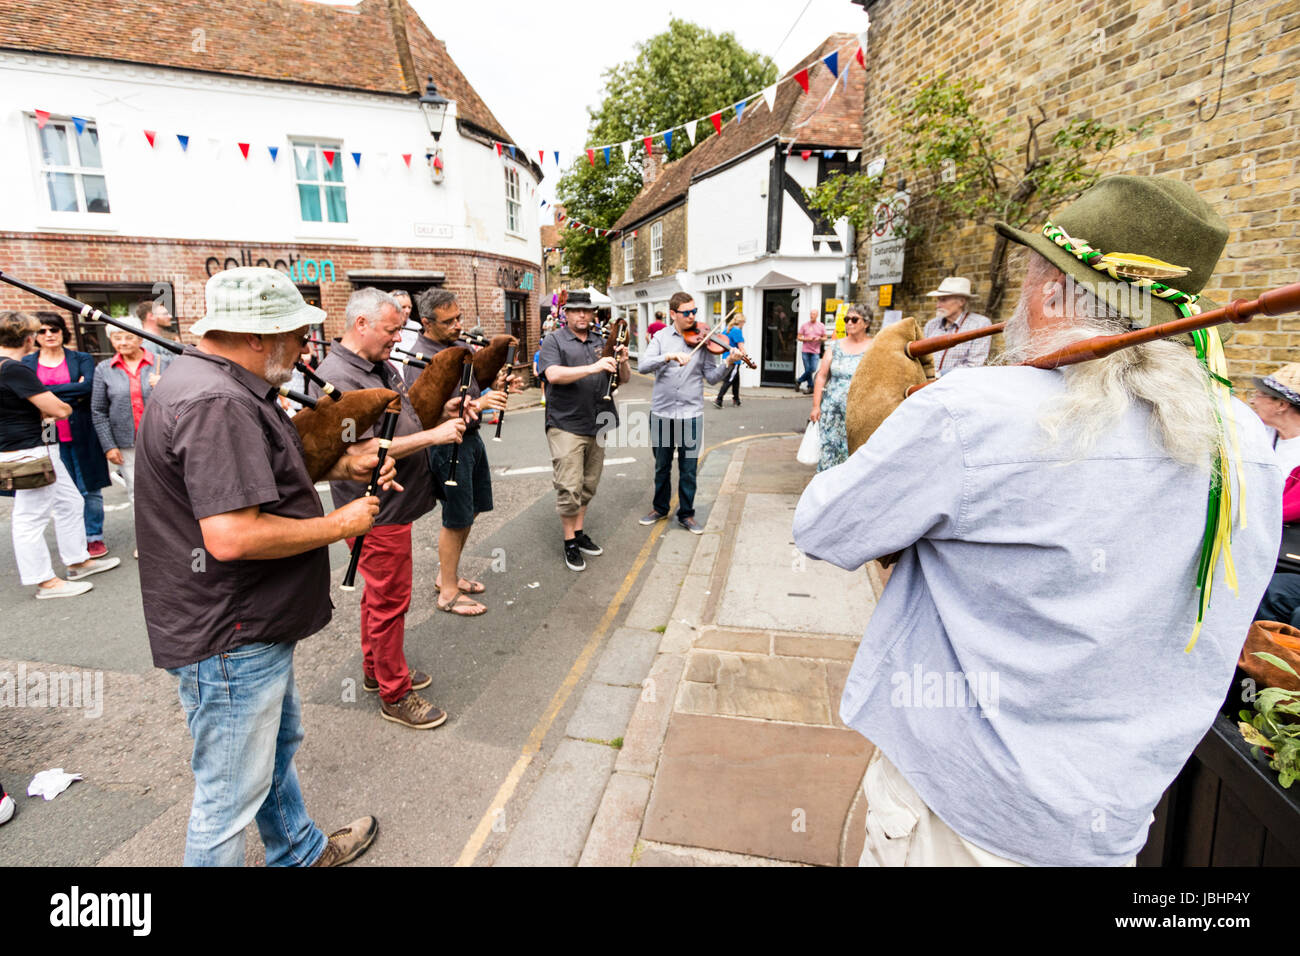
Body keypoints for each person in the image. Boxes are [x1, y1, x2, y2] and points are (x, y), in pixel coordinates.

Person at [793, 176, 1280, 866]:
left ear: (1052, 294)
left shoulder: (975, 412)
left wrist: (882, 421)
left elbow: (823, 526)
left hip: (959, 818)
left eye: (1029, 275)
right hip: (1110, 822)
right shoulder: (1247, 442)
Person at [134, 267, 394, 866]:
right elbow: (230, 535)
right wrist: (340, 525)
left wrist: (336, 472)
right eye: (296, 335)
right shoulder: (217, 401)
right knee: (227, 801)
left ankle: (298, 851)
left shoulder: (210, 381)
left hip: (244, 624)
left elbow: (247, 487)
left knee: (274, 750)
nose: (305, 347)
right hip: (232, 631)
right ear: (257, 336)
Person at [313, 288, 466, 728]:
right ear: (361, 324)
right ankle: (394, 693)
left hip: (394, 505)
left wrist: (440, 412)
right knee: (390, 600)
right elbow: (360, 453)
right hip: (375, 511)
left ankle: (375, 669)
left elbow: (400, 417)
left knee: (378, 596)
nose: (399, 338)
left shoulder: (377, 364)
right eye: (391, 329)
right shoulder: (335, 377)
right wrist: (433, 437)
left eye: (401, 328)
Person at [409, 288, 521, 616]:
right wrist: (481, 404)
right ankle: (447, 592)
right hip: (446, 446)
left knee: (471, 511)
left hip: (470, 440)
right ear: (426, 323)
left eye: (459, 317)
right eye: (449, 321)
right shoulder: (420, 360)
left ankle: (448, 575)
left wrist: (494, 387)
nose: (459, 325)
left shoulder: (459, 346)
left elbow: (471, 389)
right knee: (455, 518)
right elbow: (426, 416)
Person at [1, 311, 121, 598]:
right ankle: (45, 581)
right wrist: (61, 405)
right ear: (29, 338)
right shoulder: (13, 369)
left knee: (69, 501)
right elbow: (60, 409)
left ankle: (78, 561)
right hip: (29, 451)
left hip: (35, 445)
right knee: (30, 518)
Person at [536, 290, 629, 571]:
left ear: (592, 314)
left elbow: (622, 380)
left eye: (587, 311)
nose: (582, 316)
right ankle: (569, 542)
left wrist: (622, 361)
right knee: (569, 486)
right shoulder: (553, 340)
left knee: (589, 484)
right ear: (566, 313)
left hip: (598, 421)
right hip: (565, 423)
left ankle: (578, 532)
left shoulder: (602, 341)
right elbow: (552, 374)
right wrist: (593, 367)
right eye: (576, 311)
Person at [637, 292, 741, 534]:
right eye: (687, 313)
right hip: (662, 413)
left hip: (691, 415)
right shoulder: (661, 337)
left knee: (689, 467)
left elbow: (712, 379)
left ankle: (687, 514)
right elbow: (642, 365)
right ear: (673, 314)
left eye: (694, 312)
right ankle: (660, 508)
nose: (693, 316)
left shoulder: (704, 341)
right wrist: (669, 356)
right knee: (662, 465)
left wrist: (729, 363)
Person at [23, 313, 112, 557]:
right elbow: (26, 395)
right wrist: (70, 391)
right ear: (35, 337)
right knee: (62, 488)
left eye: (54, 329)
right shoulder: (28, 363)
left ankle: (93, 536)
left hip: (80, 427)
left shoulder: (81, 358)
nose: (49, 335)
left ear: (64, 332)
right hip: (48, 429)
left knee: (89, 486)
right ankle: (73, 539)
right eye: (42, 331)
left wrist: (44, 392)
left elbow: (88, 387)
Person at [91, 315, 158, 523]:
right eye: (117, 337)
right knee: (138, 494)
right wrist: (109, 445)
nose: (123, 342)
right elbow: (98, 410)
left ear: (140, 339)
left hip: (162, 439)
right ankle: (148, 543)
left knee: (171, 490)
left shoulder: (161, 363)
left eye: (128, 337)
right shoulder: (104, 369)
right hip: (127, 443)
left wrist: (165, 384)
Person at [1248, 364, 1300, 626]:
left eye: (1260, 395)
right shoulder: (1256, 436)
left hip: (1285, 556)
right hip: (1253, 537)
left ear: (1281, 404)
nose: (1253, 400)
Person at [809, 305, 873, 471]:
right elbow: (822, 376)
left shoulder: (874, 347)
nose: (849, 323)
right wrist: (816, 406)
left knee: (853, 455)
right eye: (846, 319)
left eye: (854, 319)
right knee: (829, 453)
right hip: (832, 411)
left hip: (859, 412)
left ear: (866, 323)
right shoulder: (836, 346)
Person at [921, 277, 992, 376]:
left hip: (956, 387)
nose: (937, 305)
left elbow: (975, 365)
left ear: (961, 301)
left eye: (943, 300)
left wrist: (940, 374)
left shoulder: (980, 325)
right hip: (925, 386)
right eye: (938, 300)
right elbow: (922, 358)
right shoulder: (931, 325)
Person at [712, 313, 747, 408]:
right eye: (744, 322)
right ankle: (719, 399)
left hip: (726, 357)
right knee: (729, 380)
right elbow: (741, 347)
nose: (744, 324)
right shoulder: (737, 331)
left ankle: (736, 399)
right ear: (741, 322)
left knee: (736, 379)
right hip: (734, 359)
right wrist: (745, 356)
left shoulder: (727, 329)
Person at [133, 299, 175, 376]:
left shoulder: (157, 339)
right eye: (165, 314)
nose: (170, 316)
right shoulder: (147, 343)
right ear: (151, 316)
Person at [795, 308, 828, 394]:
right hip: (805, 351)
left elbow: (825, 337)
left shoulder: (821, 326)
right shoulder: (804, 325)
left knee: (812, 368)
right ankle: (810, 387)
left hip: (815, 351)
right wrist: (807, 339)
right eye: (811, 314)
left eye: (813, 314)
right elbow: (798, 337)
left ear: (817, 315)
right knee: (808, 369)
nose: (811, 315)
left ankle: (799, 380)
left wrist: (819, 338)